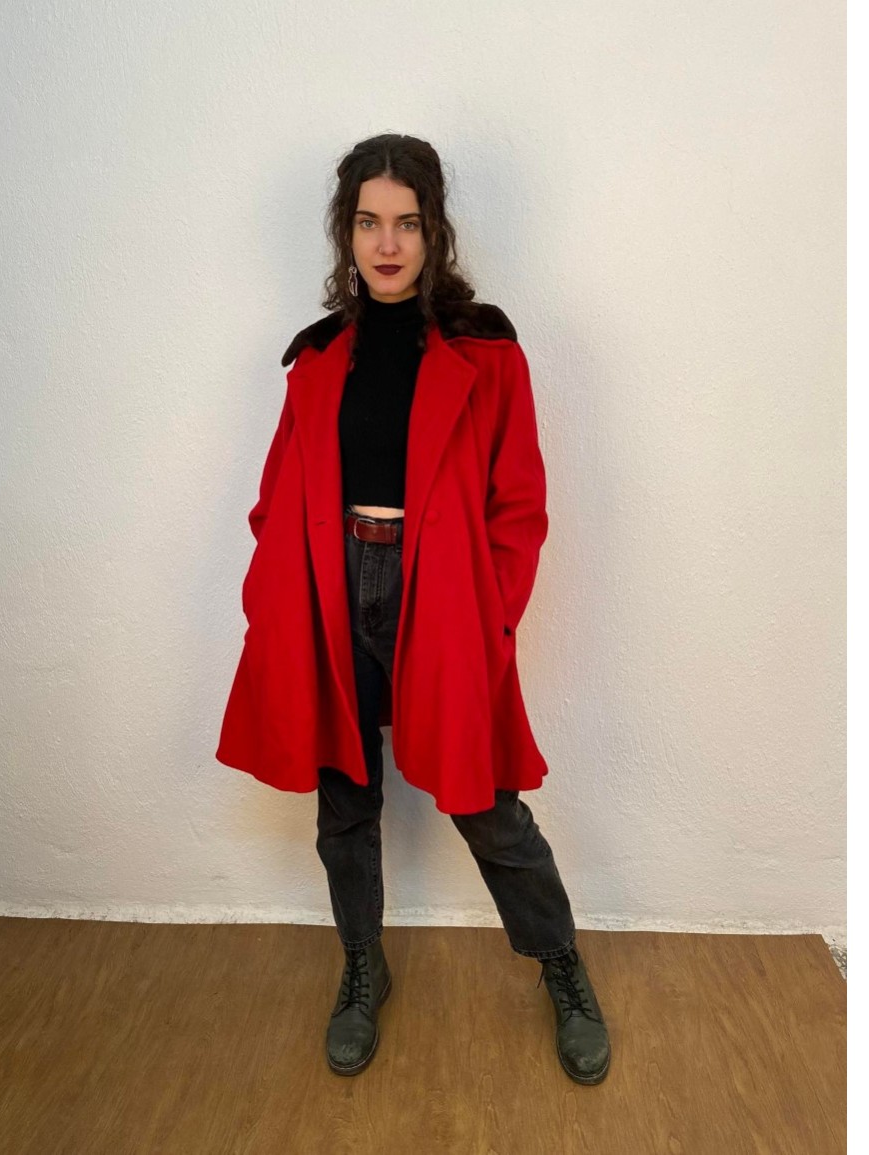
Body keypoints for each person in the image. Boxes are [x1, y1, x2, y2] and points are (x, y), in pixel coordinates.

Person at [216, 133, 610, 1083]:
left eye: (406, 222)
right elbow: (275, 495)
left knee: (486, 803)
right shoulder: (316, 358)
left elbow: (520, 504)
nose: (386, 244)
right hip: (330, 588)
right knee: (344, 797)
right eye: (367, 223)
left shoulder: (488, 351)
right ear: (345, 233)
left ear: (434, 231)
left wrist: (491, 615)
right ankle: (363, 967)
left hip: (442, 594)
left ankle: (560, 962)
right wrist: (275, 592)